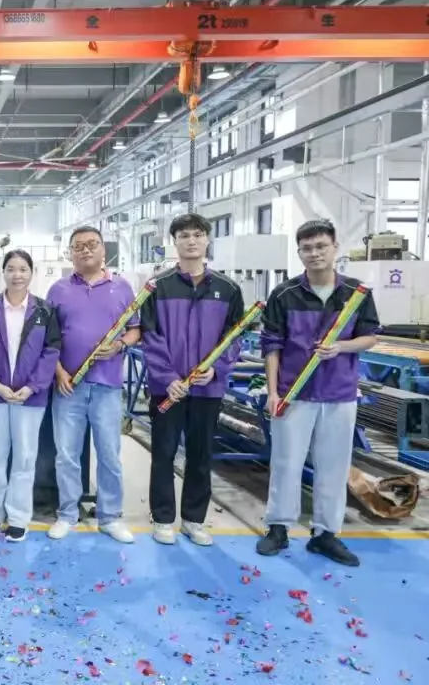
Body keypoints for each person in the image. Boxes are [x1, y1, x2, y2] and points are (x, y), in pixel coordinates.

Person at [256, 220, 379, 566]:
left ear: (335, 247)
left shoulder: (356, 294)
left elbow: (371, 336)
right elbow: (272, 346)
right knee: (285, 463)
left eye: (321, 246)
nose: (314, 253)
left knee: (334, 467)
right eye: (307, 248)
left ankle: (325, 534)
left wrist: (341, 346)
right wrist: (272, 391)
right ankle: (278, 527)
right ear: (299, 253)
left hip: (339, 394)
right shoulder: (284, 293)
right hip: (294, 393)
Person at [140, 213, 245, 546]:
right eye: (184, 235)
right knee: (164, 453)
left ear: (207, 240)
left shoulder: (227, 289)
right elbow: (150, 335)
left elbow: (235, 336)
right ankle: (163, 518)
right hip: (167, 390)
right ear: (175, 242)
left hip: (207, 389)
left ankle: (195, 519)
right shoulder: (159, 287)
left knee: (200, 455)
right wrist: (167, 377)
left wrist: (219, 368)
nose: (191, 241)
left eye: (197, 235)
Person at [47, 227, 140, 544]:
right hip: (68, 387)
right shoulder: (58, 290)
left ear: (104, 250)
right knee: (67, 455)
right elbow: (48, 338)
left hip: (107, 386)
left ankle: (110, 516)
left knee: (110, 455)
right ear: (70, 253)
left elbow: (136, 330)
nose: (85, 251)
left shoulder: (122, 288)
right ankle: (67, 514)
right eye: (78, 246)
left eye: (92, 245)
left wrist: (119, 346)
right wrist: (59, 371)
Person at [0, 250, 60, 542]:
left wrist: (32, 387)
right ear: (3, 272)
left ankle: (19, 517)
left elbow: (51, 353)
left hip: (29, 398)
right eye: (11, 268)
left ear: (31, 273)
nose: (17, 274)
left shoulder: (44, 312)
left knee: (24, 458)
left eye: (23, 269)